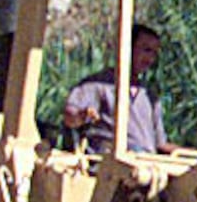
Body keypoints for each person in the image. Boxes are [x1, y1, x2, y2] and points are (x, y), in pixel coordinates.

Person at [62, 23, 168, 154]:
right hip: (110, 165)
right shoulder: (98, 85)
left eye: (154, 53)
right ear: (127, 48)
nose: (150, 59)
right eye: (146, 50)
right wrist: (82, 115)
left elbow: (161, 144)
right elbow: (70, 117)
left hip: (147, 165)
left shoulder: (149, 96)